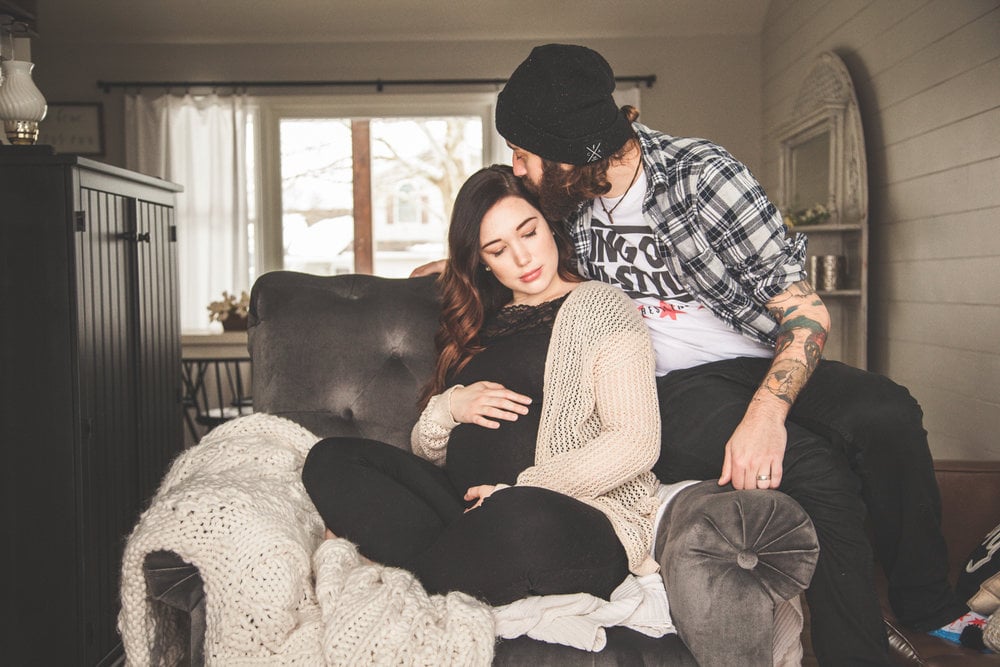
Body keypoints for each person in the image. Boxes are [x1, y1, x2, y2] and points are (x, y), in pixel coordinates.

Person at [414, 44, 981, 665]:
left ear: (572, 154)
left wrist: (765, 415)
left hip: (753, 362)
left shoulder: (701, 176)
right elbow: (518, 248)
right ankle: (859, 650)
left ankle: (925, 603)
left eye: (524, 154)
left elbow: (806, 311)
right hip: (669, 385)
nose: (518, 169)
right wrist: (459, 264)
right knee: (814, 466)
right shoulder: (561, 202)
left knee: (888, 411)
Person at [302, 164, 662, 607]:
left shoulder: (603, 306)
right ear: (484, 262)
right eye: (498, 249)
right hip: (464, 512)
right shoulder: (479, 320)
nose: (523, 259)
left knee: (518, 520)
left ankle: (403, 584)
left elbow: (636, 440)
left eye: (528, 233)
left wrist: (526, 488)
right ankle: (443, 567)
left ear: (549, 225)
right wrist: (450, 407)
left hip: (564, 516)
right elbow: (427, 450)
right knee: (331, 457)